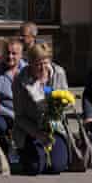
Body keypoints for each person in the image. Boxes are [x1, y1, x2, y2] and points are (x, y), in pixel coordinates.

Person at [13, 43, 70, 175]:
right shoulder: (20, 80)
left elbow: (66, 102)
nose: (43, 68)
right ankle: (24, 154)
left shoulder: (58, 73)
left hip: (54, 128)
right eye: (38, 64)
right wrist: (37, 133)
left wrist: (58, 110)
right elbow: (19, 116)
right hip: (31, 130)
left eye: (45, 62)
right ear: (30, 63)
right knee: (36, 168)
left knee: (57, 167)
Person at [0, 38, 27, 155]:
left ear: (21, 55)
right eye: (7, 53)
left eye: (14, 53)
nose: (10, 56)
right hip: (5, 114)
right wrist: (12, 115)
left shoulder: (29, 70)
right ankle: (2, 153)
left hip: (27, 113)